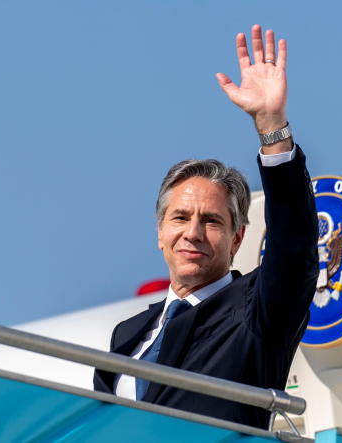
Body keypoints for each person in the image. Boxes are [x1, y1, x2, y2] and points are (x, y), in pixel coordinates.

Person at [93, 24, 318, 429]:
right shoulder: (127, 335)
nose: (193, 233)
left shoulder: (256, 310)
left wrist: (272, 126)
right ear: (159, 231)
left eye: (211, 221)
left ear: (237, 238)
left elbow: (293, 245)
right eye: (180, 217)